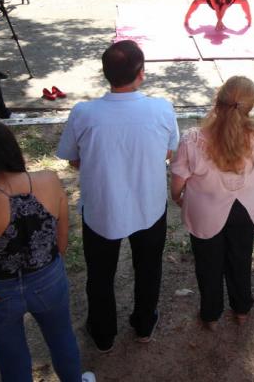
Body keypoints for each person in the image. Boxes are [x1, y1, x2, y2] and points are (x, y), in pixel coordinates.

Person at [56, 40, 178, 352]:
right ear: (142, 74)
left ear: (105, 74)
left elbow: (72, 158)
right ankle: (144, 324)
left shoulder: (84, 113)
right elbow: (167, 151)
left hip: (101, 208)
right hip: (149, 206)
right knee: (149, 268)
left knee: (100, 274)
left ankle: (103, 333)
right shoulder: (161, 108)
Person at [0, 121, 95, 382]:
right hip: (48, 277)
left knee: (13, 360)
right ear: (12, 149)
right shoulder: (49, 180)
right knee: (63, 340)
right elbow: (62, 244)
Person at [170, 76, 254, 329]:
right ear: (251, 106)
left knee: (208, 265)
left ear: (217, 100)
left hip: (204, 212)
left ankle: (211, 314)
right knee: (241, 259)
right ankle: (241, 309)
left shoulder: (192, 139)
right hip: (244, 210)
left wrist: (177, 197)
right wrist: (252, 189)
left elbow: (178, 179)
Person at [185, 0, 253, 29]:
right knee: (197, 1)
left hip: (225, 2)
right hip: (214, 2)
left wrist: (219, 21)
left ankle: (248, 17)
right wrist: (219, 21)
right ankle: (187, 16)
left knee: (244, 1)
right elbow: (217, 8)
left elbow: (224, 8)